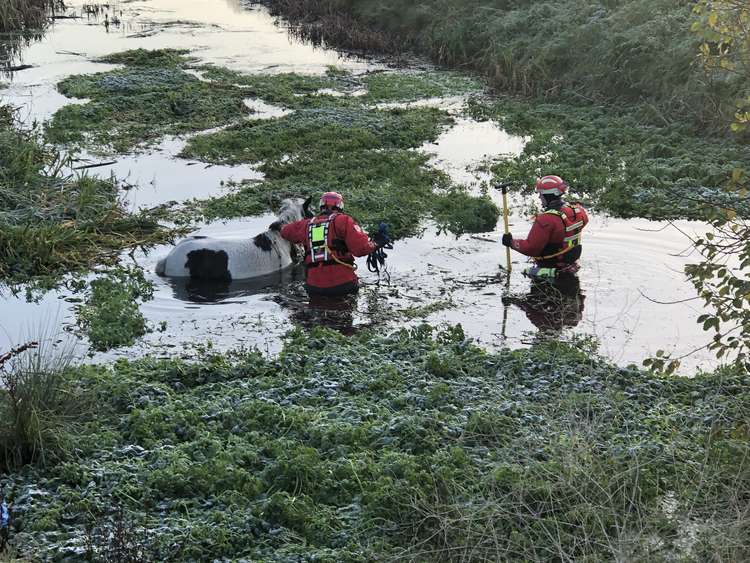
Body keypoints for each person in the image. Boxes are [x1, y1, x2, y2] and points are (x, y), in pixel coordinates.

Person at [274, 191, 389, 297]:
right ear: (340, 206)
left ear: (321, 206)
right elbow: (360, 249)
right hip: (343, 285)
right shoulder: (345, 221)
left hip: (314, 287)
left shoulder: (306, 224)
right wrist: (377, 242)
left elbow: (285, 231)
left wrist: (280, 224)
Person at [501, 175, 589, 279]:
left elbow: (531, 249)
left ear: (548, 196)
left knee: (526, 273)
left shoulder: (546, 219)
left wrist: (511, 242)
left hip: (551, 270)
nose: (539, 197)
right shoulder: (578, 211)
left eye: (540, 194)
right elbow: (577, 226)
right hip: (571, 265)